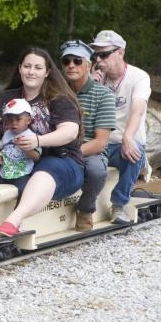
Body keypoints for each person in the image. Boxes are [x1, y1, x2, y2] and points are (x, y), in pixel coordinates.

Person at [0, 47, 85, 237]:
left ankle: (14, 220)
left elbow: (70, 132)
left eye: (37, 67)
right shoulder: (4, 99)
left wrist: (38, 140)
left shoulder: (59, 99)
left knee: (44, 171)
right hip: (14, 160)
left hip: (61, 161)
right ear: (20, 69)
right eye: (27, 66)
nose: (31, 71)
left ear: (47, 72)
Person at [89, 30, 151, 224]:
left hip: (121, 145)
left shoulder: (138, 77)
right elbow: (82, 116)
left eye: (104, 54)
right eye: (96, 55)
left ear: (120, 53)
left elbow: (137, 109)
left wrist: (128, 137)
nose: (98, 60)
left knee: (135, 152)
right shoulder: (93, 79)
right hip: (97, 143)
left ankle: (119, 204)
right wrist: (91, 89)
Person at [59, 39, 116, 230]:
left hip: (90, 150)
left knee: (96, 171)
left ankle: (85, 209)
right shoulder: (55, 93)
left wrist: (72, 155)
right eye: (66, 61)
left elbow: (100, 142)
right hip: (57, 146)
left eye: (77, 60)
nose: (71, 65)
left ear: (88, 65)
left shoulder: (104, 95)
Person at [0, 98, 41, 181]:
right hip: (4, 173)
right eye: (10, 120)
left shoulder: (31, 136)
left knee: (21, 189)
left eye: (18, 119)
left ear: (28, 120)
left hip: (22, 173)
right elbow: (3, 149)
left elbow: (36, 156)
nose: (14, 123)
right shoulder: (7, 134)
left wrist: (24, 148)